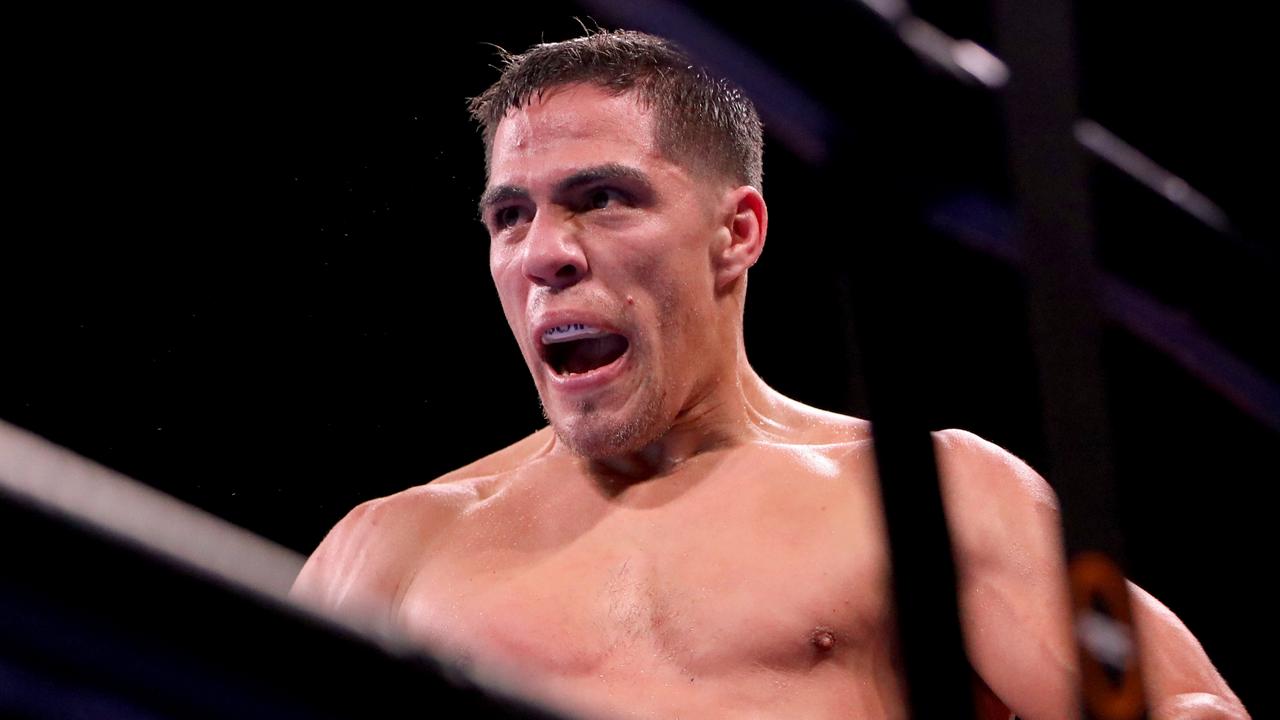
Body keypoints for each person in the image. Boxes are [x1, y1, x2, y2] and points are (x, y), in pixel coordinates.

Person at [290, 29, 1248, 720]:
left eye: (602, 199)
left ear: (736, 232)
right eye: (510, 217)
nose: (546, 253)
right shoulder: (388, 554)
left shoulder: (927, 497)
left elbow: (1183, 708)